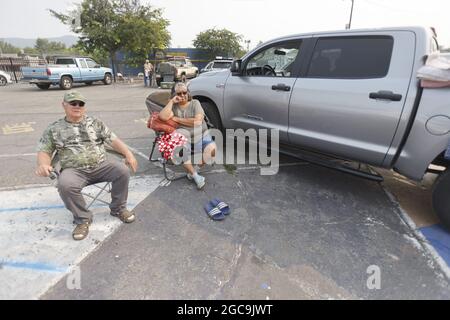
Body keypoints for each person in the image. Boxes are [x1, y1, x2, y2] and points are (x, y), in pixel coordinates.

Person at [35, 91, 138, 241]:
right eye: (73, 103)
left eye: (80, 104)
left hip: (101, 165)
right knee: (65, 184)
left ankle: (118, 209)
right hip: (74, 170)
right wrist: (43, 164)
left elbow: (113, 140)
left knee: (122, 170)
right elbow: (44, 150)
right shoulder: (54, 129)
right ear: (64, 105)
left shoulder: (96, 123)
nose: (77, 106)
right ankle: (82, 219)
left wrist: (128, 154)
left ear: (84, 107)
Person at [159, 83, 216, 189]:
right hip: (184, 137)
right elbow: (162, 117)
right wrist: (171, 102)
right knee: (182, 152)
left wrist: (176, 119)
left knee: (212, 150)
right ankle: (195, 176)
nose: (182, 95)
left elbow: (198, 122)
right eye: (179, 93)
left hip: (202, 133)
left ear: (188, 93)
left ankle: (194, 170)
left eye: (184, 92)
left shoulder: (195, 103)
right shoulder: (174, 107)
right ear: (174, 94)